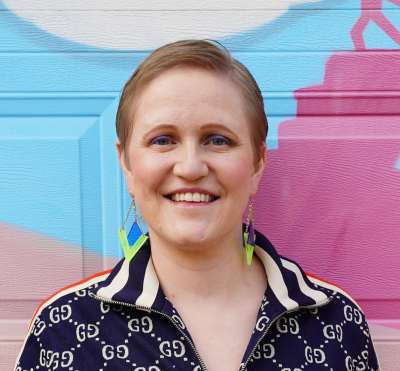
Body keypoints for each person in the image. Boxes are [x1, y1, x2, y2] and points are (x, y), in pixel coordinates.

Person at [14, 39, 381, 371]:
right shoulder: (65, 329)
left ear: (256, 165)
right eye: (163, 140)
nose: (190, 167)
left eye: (217, 139)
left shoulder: (337, 324)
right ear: (126, 164)